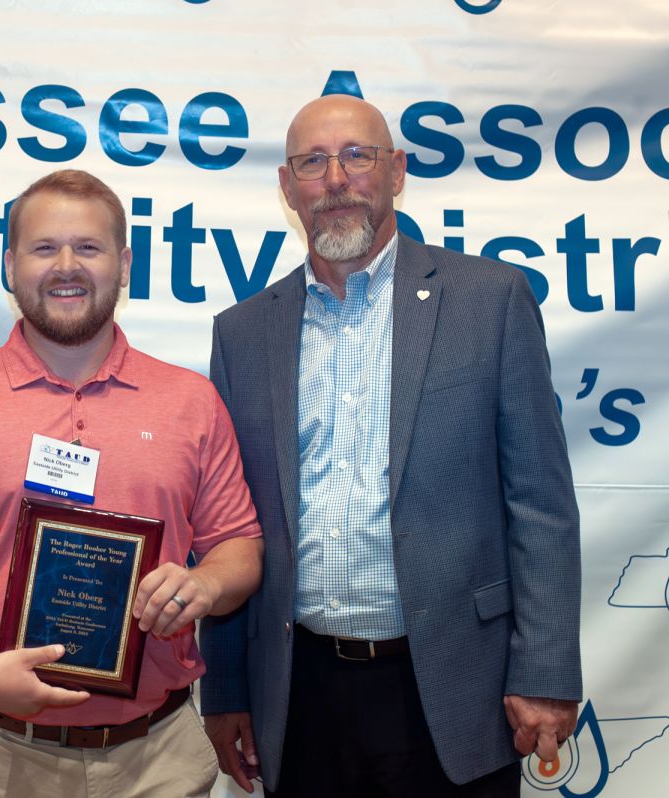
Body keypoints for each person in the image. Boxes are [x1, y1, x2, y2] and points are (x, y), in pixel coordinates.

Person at [200, 94, 582, 796]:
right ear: (287, 187)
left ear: (397, 171)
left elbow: (541, 505)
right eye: (312, 161)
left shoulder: (490, 299)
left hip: (457, 686)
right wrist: (225, 689)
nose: (336, 178)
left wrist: (547, 672)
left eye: (357, 155)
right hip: (298, 691)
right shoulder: (243, 333)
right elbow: (229, 526)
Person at [0, 169, 264, 797]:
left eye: (90, 248)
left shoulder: (191, 402)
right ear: (11, 264)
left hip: (156, 760)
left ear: (125, 264)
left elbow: (240, 548)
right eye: (45, 248)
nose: (66, 266)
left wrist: (204, 583)